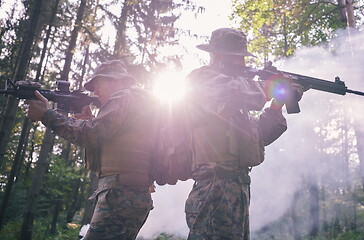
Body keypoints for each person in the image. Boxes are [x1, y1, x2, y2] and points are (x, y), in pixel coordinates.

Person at [184, 28, 305, 239]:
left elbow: (258, 137)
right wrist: (272, 87)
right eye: (237, 57)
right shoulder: (204, 78)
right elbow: (233, 91)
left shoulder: (236, 105)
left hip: (235, 188)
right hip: (214, 187)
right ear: (218, 55)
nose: (242, 62)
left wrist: (277, 104)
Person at [25, 60, 156, 240]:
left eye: (97, 84)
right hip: (128, 193)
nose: (94, 91)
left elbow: (91, 135)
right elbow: (103, 141)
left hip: (121, 194)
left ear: (115, 80)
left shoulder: (124, 97)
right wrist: (88, 120)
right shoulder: (134, 100)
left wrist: (48, 115)